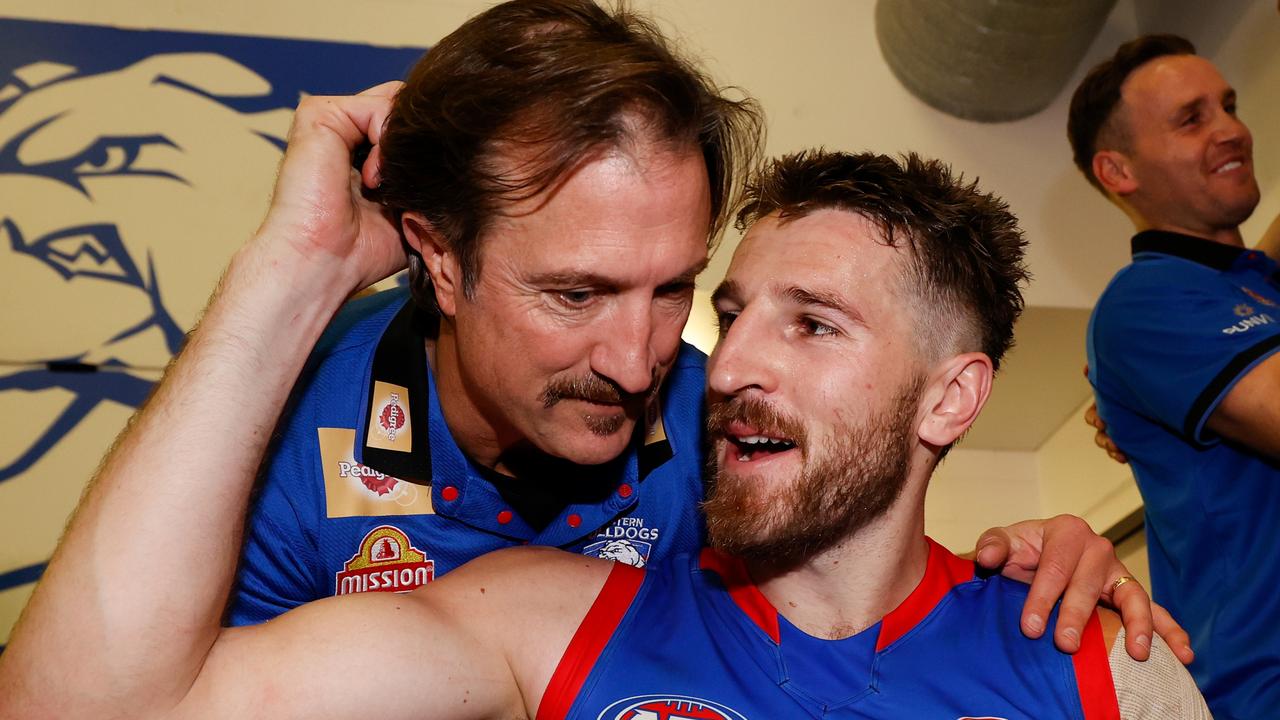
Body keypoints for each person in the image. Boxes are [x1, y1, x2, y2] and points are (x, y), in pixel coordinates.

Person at [0, 149, 1211, 719]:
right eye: (730, 313)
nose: (723, 364)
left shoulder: (1104, 664)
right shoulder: (545, 613)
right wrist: (292, 270)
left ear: (949, 401)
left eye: (812, 324)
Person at [217, 0, 1169, 656]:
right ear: (438, 258)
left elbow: (854, 570)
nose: (640, 365)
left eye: (675, 290)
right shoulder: (286, 427)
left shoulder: (707, 410)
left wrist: (1023, 571)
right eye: (576, 294)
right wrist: (287, 272)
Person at [1069, 33, 1280, 718]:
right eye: (1193, 120)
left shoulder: (1255, 288)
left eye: (1229, 106)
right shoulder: (1146, 301)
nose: (1233, 131)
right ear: (1119, 171)